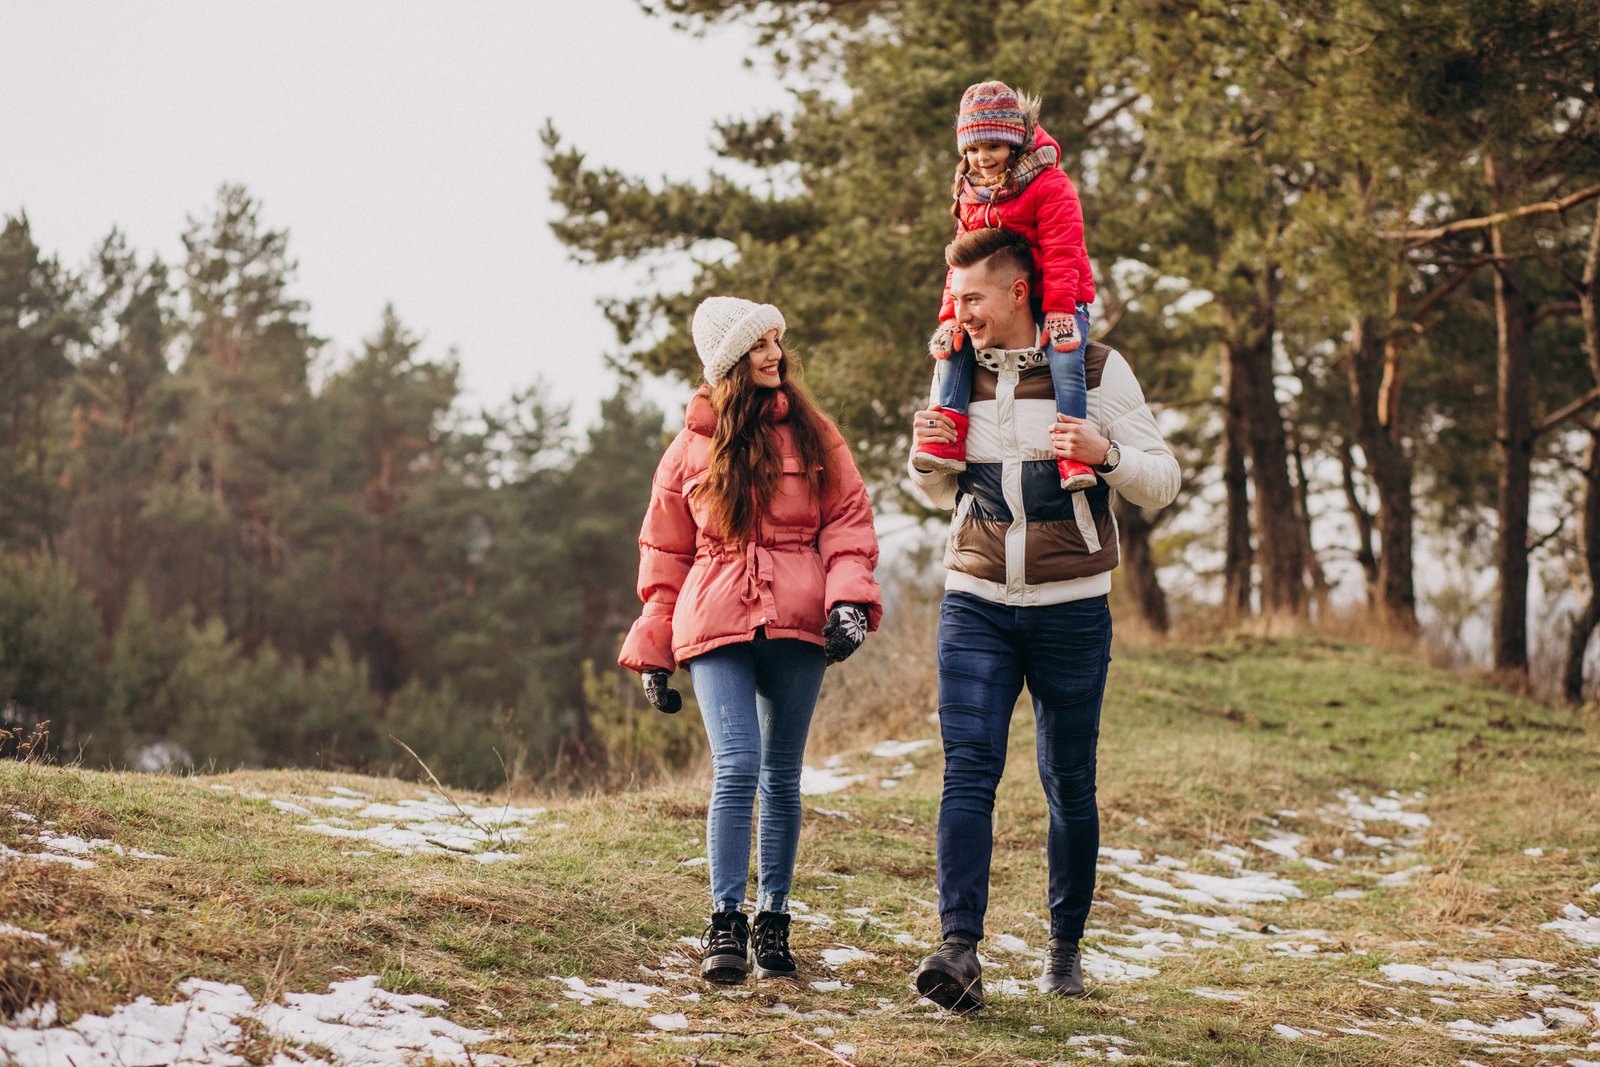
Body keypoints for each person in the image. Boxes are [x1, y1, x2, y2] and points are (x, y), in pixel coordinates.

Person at [906, 228, 1179, 1012]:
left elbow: (1162, 480)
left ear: (1020, 290)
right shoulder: (956, 366)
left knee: (1069, 783)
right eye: (956, 299)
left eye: (973, 299)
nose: (961, 314)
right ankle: (958, 949)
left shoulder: (1093, 369)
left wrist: (1105, 454)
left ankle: (1065, 948)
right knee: (968, 772)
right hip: (977, 603)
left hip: (1071, 611)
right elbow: (932, 488)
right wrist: (928, 454)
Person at [619, 296, 882, 986]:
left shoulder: (815, 434)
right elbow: (665, 553)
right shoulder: (689, 449)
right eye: (760, 345)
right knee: (737, 764)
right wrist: (653, 648)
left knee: (782, 775)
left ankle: (774, 915)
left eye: (777, 341)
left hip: (798, 621)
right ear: (729, 362)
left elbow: (848, 521)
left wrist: (849, 601)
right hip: (715, 622)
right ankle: (725, 920)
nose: (776, 354)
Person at [913, 79, 1099, 493]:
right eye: (974, 150)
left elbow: (1064, 251)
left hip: (1059, 295)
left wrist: (1060, 310)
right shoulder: (969, 193)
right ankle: (949, 434)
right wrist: (951, 315)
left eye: (993, 147)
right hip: (1000, 301)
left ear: (1014, 144)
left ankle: (1071, 447)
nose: (983, 158)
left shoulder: (1049, 184)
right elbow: (960, 261)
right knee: (955, 349)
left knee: (1066, 358)